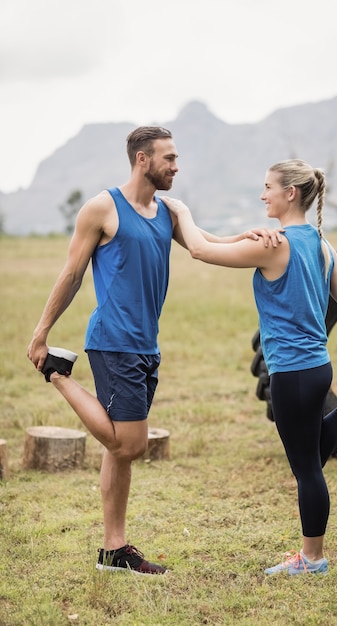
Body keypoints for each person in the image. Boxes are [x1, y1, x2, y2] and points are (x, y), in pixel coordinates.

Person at [27, 126, 279, 576]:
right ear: (142, 160)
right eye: (169, 159)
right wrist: (41, 334)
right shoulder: (103, 208)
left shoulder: (168, 211)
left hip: (146, 344)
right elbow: (71, 275)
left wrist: (249, 236)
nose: (176, 167)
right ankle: (59, 375)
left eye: (177, 158)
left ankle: (113, 550)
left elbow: (207, 244)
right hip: (113, 341)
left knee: (118, 451)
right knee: (131, 444)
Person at [162, 159, 337, 576]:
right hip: (317, 368)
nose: (263, 195)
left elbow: (202, 251)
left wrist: (181, 212)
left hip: (291, 374)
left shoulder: (274, 245)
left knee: (308, 469)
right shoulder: (321, 244)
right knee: (311, 456)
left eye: (267, 187)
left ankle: (312, 559)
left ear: (289, 193)